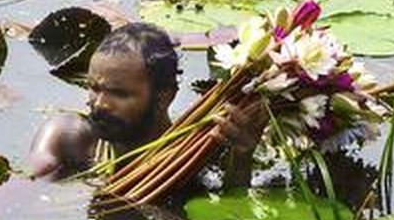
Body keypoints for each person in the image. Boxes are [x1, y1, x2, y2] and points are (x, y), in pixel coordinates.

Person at [28, 22, 266, 182]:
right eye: (94, 88)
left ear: (165, 97)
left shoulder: (195, 155)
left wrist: (242, 158)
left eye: (118, 93)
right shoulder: (67, 136)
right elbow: (29, 184)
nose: (99, 103)